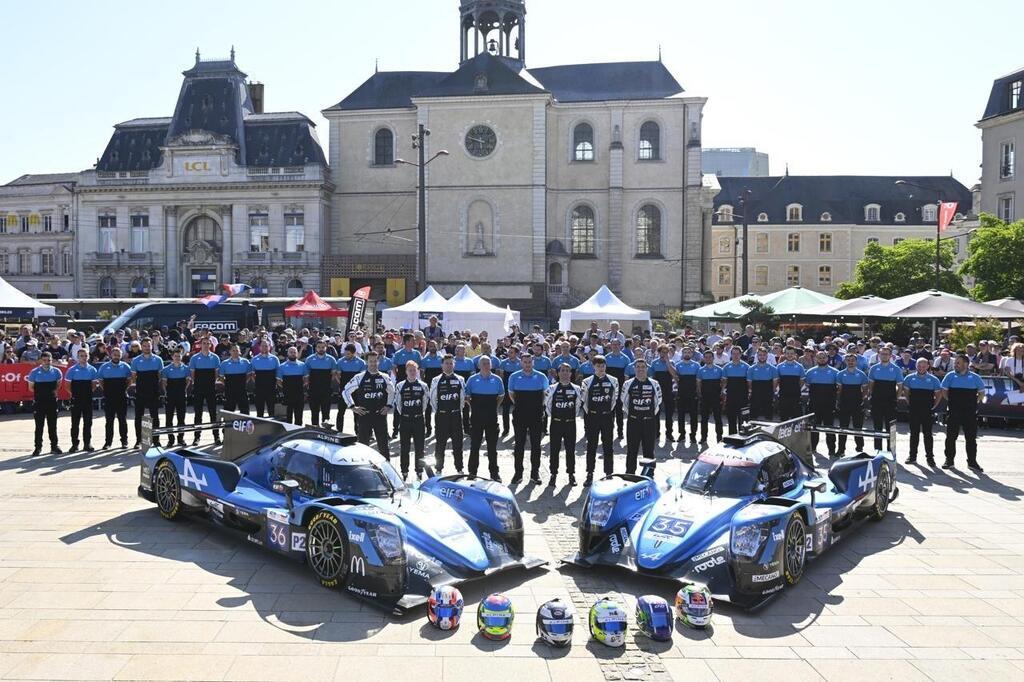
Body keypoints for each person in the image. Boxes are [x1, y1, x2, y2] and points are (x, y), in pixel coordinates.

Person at [343, 350, 394, 458]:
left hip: (380, 415)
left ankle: (387, 470)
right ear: (366, 362)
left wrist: (388, 406)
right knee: (362, 445)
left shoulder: (384, 377)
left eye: (375, 361)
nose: (373, 363)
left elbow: (392, 392)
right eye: (371, 361)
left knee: (383, 446)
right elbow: (346, 391)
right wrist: (353, 407)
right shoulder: (359, 377)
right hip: (364, 415)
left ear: (378, 361)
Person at [941, 355, 987, 471]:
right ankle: (949, 460)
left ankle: (972, 462)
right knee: (951, 437)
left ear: (966, 364)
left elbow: (981, 393)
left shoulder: (975, 377)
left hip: (969, 413)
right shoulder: (950, 376)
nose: (955, 365)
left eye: (958, 363)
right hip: (954, 412)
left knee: (971, 438)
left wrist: (973, 402)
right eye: (955, 363)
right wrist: (953, 402)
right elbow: (944, 392)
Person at [507, 353, 548, 484]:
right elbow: (511, 395)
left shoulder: (541, 377)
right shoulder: (514, 377)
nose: (527, 364)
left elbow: (545, 395)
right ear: (521, 363)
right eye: (525, 362)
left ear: (533, 362)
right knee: (519, 445)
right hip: (520, 415)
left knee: (536, 445)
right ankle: (518, 473)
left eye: (530, 362)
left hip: (536, 416)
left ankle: (535, 474)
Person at [581, 355, 618, 486]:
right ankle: (589, 473)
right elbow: (584, 401)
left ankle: (609, 473)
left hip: (607, 416)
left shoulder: (613, 380)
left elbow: (614, 399)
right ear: (593, 367)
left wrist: (607, 411)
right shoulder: (587, 381)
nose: (601, 368)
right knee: (591, 446)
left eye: (603, 366)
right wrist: (591, 413)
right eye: (598, 366)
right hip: (592, 417)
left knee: (608, 446)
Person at [465, 356, 505, 480]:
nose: (486, 365)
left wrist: (493, 407)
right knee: (475, 446)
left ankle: (494, 473)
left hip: (492, 419)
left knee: (492, 448)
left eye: (488, 363)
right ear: (479, 366)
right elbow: (467, 397)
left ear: (491, 365)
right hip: (477, 418)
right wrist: (475, 407)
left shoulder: (497, 380)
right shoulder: (472, 379)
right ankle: (472, 473)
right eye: (484, 363)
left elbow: (500, 397)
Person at [621, 358, 662, 475]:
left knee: (649, 450)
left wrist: (648, 414)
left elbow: (658, 401)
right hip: (633, 421)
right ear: (634, 369)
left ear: (647, 369)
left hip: (649, 422)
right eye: (638, 367)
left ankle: (649, 475)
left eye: (643, 367)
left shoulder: (654, 383)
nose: (640, 369)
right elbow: (624, 401)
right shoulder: (628, 383)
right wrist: (633, 414)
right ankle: (630, 474)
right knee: (632, 450)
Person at [544, 363, 581, 486]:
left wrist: (570, 417)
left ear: (571, 373)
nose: (565, 372)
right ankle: (553, 474)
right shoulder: (551, 388)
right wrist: (555, 417)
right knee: (554, 450)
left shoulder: (577, 389)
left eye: (567, 370)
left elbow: (578, 406)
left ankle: (571, 474)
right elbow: (548, 406)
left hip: (570, 424)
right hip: (556, 424)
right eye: (562, 370)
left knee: (570, 450)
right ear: (558, 373)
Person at [902, 358, 943, 465]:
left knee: (928, 434)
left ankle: (930, 458)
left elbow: (938, 395)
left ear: (928, 366)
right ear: (916, 366)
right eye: (919, 366)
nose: (921, 368)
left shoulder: (934, 379)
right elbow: (906, 393)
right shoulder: (909, 378)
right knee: (914, 434)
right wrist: (909, 403)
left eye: (924, 366)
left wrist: (934, 406)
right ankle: (912, 456)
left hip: (927, 411)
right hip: (914, 410)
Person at [429, 354, 466, 473]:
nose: (449, 365)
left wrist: (457, 410)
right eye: (446, 363)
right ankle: (438, 468)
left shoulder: (460, 379)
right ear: (442, 365)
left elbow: (462, 399)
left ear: (454, 365)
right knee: (440, 443)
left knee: (458, 444)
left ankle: (459, 468)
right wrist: (439, 411)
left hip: (455, 415)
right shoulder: (436, 380)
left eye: (451, 363)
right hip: (442, 416)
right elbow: (433, 399)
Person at [394, 360, 429, 479]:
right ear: (406, 372)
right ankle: (404, 471)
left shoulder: (423, 385)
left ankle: (419, 471)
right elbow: (398, 404)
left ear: (417, 371)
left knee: (420, 447)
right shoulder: (400, 385)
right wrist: (405, 414)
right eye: (410, 370)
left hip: (419, 419)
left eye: (414, 370)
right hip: (405, 420)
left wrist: (418, 413)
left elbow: (425, 403)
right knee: (404, 447)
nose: (412, 372)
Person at [27, 352, 63, 457]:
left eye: (49, 360)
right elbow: (31, 387)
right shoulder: (34, 372)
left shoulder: (57, 371)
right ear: (41, 360)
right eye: (44, 360)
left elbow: (58, 385)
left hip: (52, 402)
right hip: (39, 402)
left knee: (53, 426)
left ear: (52, 360)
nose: (47, 362)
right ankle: (38, 447)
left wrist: (51, 393)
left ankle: (54, 446)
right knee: (39, 426)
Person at [867, 347, 903, 451]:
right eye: (882, 354)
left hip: (890, 402)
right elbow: (870, 385)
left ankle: (890, 451)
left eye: (886, 354)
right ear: (879, 355)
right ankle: (877, 450)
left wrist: (896, 398)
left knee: (890, 428)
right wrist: (872, 397)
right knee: (877, 427)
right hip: (877, 401)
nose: (884, 356)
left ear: (891, 356)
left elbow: (900, 386)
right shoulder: (873, 368)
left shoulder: (896, 369)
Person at [129, 339, 164, 447]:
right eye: (144, 346)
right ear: (141, 347)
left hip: (153, 392)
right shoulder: (135, 360)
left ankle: (156, 440)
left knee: (155, 417)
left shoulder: (158, 360)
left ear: (151, 346)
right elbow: (134, 378)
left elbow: (160, 377)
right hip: (140, 392)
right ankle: (139, 440)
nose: (146, 348)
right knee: (139, 417)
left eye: (148, 346)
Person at [805, 351, 839, 458]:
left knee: (829, 428)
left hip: (829, 405)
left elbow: (838, 389)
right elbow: (807, 385)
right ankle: (813, 448)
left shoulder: (835, 372)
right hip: (814, 404)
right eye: (819, 358)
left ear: (827, 358)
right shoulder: (810, 372)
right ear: (816, 359)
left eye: (824, 357)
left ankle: (832, 450)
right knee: (814, 428)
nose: (822, 359)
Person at [65, 348, 99, 453]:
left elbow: (94, 386)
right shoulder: (71, 370)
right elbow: (67, 386)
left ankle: (87, 444)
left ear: (88, 357)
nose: (84, 358)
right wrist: (74, 395)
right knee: (75, 423)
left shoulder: (92, 370)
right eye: (81, 356)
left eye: (85, 356)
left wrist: (87, 394)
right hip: (76, 399)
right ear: (77, 357)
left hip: (87, 399)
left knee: (88, 422)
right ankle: (74, 445)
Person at [835, 352, 869, 455]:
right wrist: (838, 402)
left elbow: (865, 390)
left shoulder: (862, 374)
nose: (850, 362)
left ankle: (859, 448)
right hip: (844, 403)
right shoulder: (840, 374)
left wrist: (863, 402)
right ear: (845, 361)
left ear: (856, 362)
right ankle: (841, 449)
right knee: (843, 427)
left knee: (858, 427)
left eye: (853, 360)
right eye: (848, 360)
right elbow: (839, 390)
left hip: (857, 404)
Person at [188, 339, 221, 445]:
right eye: (204, 343)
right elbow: (192, 375)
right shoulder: (194, 358)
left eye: (208, 343)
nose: (206, 345)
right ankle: (196, 437)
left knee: (213, 414)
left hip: (210, 389)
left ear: (210, 345)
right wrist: (196, 385)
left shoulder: (215, 358)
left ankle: (216, 437)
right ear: (200, 345)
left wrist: (213, 385)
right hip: (198, 388)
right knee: (198, 414)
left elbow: (216, 374)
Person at [98, 347, 132, 449]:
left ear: (121, 356)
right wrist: (108, 391)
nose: (116, 357)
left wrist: (123, 390)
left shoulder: (126, 367)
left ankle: (124, 441)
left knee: (122, 420)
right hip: (109, 398)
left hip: (121, 397)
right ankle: (108, 443)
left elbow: (129, 381)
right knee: (109, 421)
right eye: (114, 354)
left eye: (118, 355)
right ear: (111, 355)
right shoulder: (104, 367)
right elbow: (101, 382)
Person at [391, 334, 422, 437]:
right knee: (398, 404)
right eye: (413, 340)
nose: (415, 342)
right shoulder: (399, 353)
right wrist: (399, 378)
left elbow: (419, 368)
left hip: (413, 382)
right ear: (407, 342)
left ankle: (412, 429)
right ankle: (396, 429)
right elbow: (394, 368)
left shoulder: (417, 353)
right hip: (401, 381)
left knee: (412, 404)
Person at [603, 340, 631, 439]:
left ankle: (620, 431)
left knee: (619, 411)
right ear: (610, 345)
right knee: (608, 411)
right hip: (608, 388)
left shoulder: (625, 358)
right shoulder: (606, 358)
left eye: (617, 344)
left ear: (620, 345)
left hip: (620, 388)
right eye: (613, 344)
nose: (615, 346)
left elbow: (626, 375)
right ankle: (608, 431)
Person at [161, 350, 190, 447]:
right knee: (169, 419)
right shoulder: (166, 369)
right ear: (172, 357)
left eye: (179, 356)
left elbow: (188, 382)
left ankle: (181, 438)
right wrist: (166, 394)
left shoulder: (186, 369)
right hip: (170, 396)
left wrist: (184, 392)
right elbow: (164, 384)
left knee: (181, 418)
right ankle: (171, 439)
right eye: (176, 356)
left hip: (181, 396)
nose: (177, 358)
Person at [336, 344, 367, 432]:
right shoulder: (340, 361)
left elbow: (362, 377)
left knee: (357, 412)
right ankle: (339, 431)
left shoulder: (361, 362)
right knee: (341, 411)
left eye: (348, 354)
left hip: (356, 390)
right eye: (345, 353)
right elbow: (338, 375)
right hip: (344, 390)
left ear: (354, 353)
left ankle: (358, 432)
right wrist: (342, 385)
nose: (346, 355)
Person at [305, 340, 336, 427]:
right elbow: (306, 376)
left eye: (323, 347)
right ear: (316, 348)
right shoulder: (309, 359)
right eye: (319, 347)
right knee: (314, 412)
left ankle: (326, 431)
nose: (321, 349)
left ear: (326, 347)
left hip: (326, 390)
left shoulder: (331, 359)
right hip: (313, 390)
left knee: (326, 412)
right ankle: (315, 430)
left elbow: (333, 375)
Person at [649, 345, 676, 442]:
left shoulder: (671, 362)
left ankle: (669, 434)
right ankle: (656, 434)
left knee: (669, 414)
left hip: (668, 391)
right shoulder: (654, 363)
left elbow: (674, 375)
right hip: (657, 392)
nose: (664, 354)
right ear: (659, 352)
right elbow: (651, 377)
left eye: (666, 352)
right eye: (662, 352)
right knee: (656, 414)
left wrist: (667, 362)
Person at [697, 351, 724, 443]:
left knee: (718, 418)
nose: (708, 359)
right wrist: (700, 393)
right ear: (704, 359)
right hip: (705, 397)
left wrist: (721, 392)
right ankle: (703, 437)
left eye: (710, 357)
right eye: (706, 357)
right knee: (704, 418)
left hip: (716, 397)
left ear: (713, 358)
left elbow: (723, 382)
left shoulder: (720, 369)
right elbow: (699, 383)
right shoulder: (700, 370)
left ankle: (719, 437)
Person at [277, 347, 309, 425]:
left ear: (297, 354)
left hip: (299, 394)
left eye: (294, 352)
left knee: (299, 416)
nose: (293, 354)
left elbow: (306, 380)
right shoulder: (282, 366)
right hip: (287, 394)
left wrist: (304, 392)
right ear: (288, 354)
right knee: (288, 417)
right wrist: (283, 392)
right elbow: (278, 381)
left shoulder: (303, 365)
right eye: (291, 352)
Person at [722, 347, 750, 434]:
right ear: (731, 354)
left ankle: (743, 437)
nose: (735, 356)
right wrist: (723, 394)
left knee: (743, 420)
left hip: (743, 397)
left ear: (741, 354)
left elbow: (749, 383)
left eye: (737, 353)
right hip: (731, 397)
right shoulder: (726, 367)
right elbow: (724, 383)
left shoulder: (747, 367)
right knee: (731, 419)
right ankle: (732, 437)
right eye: (733, 353)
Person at [219, 344, 251, 415]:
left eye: (237, 350)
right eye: (233, 350)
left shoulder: (246, 362)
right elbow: (221, 378)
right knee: (229, 409)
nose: (235, 352)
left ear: (239, 351)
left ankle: (245, 424)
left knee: (244, 409)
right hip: (229, 390)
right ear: (230, 351)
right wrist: (227, 384)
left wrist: (244, 383)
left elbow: (249, 375)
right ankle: (228, 425)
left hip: (242, 389)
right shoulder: (224, 363)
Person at [419, 341, 444, 436]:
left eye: (434, 345)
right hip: (429, 386)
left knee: (440, 409)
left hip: (440, 387)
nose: (432, 347)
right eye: (430, 346)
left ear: (437, 346)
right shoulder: (424, 360)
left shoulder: (441, 358)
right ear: (428, 347)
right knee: (428, 409)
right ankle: (428, 429)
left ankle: (439, 429)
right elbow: (422, 374)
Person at [746, 347, 778, 420]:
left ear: (767, 356)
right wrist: (750, 391)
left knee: (768, 414)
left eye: (764, 355)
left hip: (768, 393)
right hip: (755, 393)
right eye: (760, 355)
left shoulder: (773, 368)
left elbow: (775, 382)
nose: (762, 357)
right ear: (757, 356)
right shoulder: (751, 368)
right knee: (753, 414)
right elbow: (749, 382)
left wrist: (772, 392)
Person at [250, 342, 280, 418]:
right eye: (262, 346)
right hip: (259, 389)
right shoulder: (254, 359)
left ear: (269, 347)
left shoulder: (275, 359)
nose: (264, 348)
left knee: (272, 410)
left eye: (266, 346)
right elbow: (252, 375)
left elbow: (278, 374)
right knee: (259, 411)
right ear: (259, 347)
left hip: (271, 389)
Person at [775, 347, 805, 420]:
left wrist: (796, 389)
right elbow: (777, 381)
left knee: (796, 419)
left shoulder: (800, 367)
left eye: (791, 353)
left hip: (796, 396)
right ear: (784, 354)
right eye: (787, 353)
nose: (789, 355)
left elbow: (801, 381)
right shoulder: (779, 366)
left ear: (795, 354)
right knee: (784, 418)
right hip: (783, 396)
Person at [498, 346, 521, 437]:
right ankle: (506, 429)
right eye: (509, 352)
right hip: (507, 388)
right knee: (505, 410)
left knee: (518, 410)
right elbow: (501, 376)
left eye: (511, 352)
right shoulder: (503, 362)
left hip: (518, 389)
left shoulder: (520, 362)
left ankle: (518, 429)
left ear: (516, 353)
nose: (509, 354)